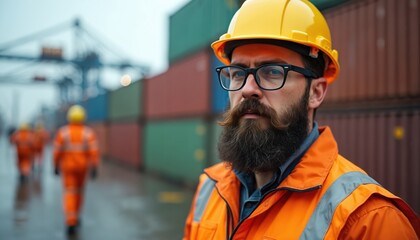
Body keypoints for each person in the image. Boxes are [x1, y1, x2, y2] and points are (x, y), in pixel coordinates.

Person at [183, 0, 420, 239]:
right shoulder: (209, 188)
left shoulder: (368, 220)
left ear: (316, 92)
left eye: (273, 72)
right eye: (237, 73)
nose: (247, 89)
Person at [53, 104, 99, 235]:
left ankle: (70, 221)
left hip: (67, 168)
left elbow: (56, 152)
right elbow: (94, 152)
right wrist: (95, 167)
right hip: (82, 168)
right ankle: (77, 217)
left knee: (69, 193)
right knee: (79, 193)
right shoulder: (88, 133)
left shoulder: (63, 132)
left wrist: (55, 165)